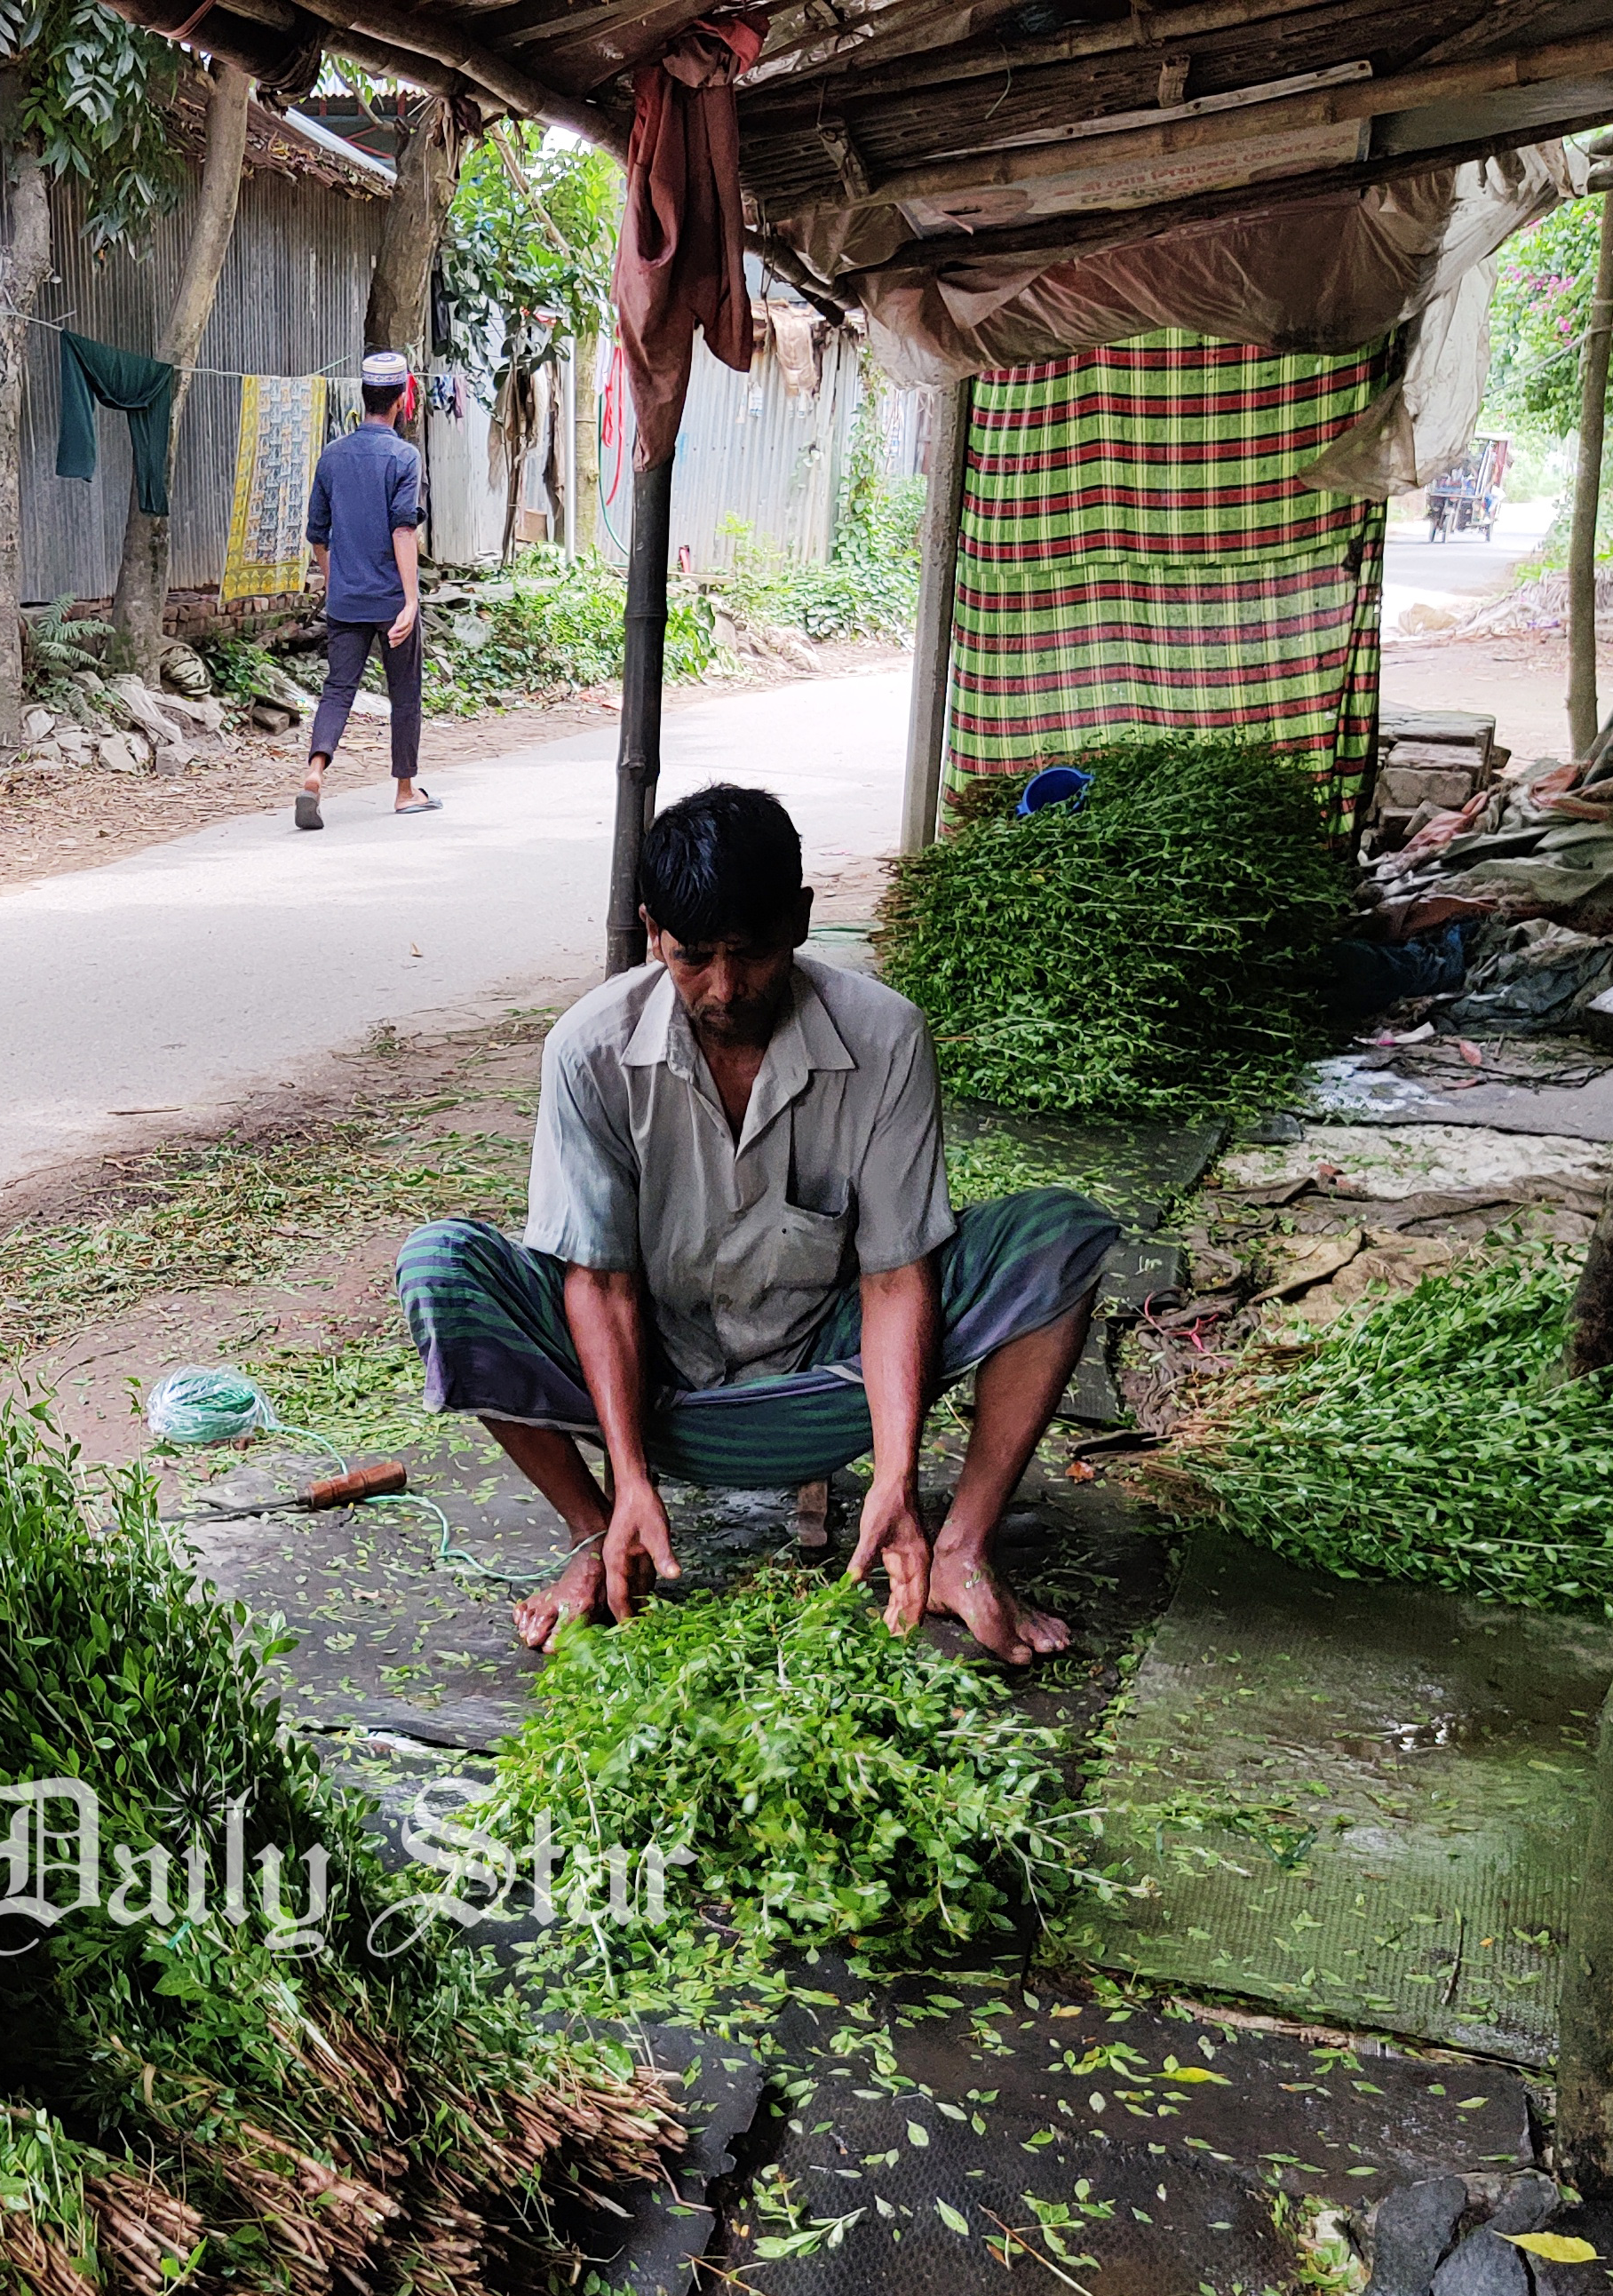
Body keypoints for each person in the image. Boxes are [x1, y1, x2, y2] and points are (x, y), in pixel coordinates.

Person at [395, 783, 1120, 1660]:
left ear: (802, 920)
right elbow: (602, 1281)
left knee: (1059, 1240)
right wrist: (628, 1477)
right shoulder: (589, 1051)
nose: (726, 987)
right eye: (694, 956)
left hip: (828, 1376)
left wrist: (898, 1477)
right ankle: (598, 1536)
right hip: (646, 1391)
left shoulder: (886, 1038)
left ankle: (961, 1552)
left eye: (752, 952)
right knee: (441, 1267)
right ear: (652, 929)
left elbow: (896, 1274)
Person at [297, 350, 437, 829]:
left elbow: (318, 534)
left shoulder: (333, 456)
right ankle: (403, 790)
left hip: (347, 599)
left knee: (338, 689)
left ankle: (315, 773)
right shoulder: (404, 456)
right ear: (400, 400)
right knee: (404, 691)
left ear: (364, 398)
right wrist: (411, 599)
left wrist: (337, 584)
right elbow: (404, 530)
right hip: (391, 599)